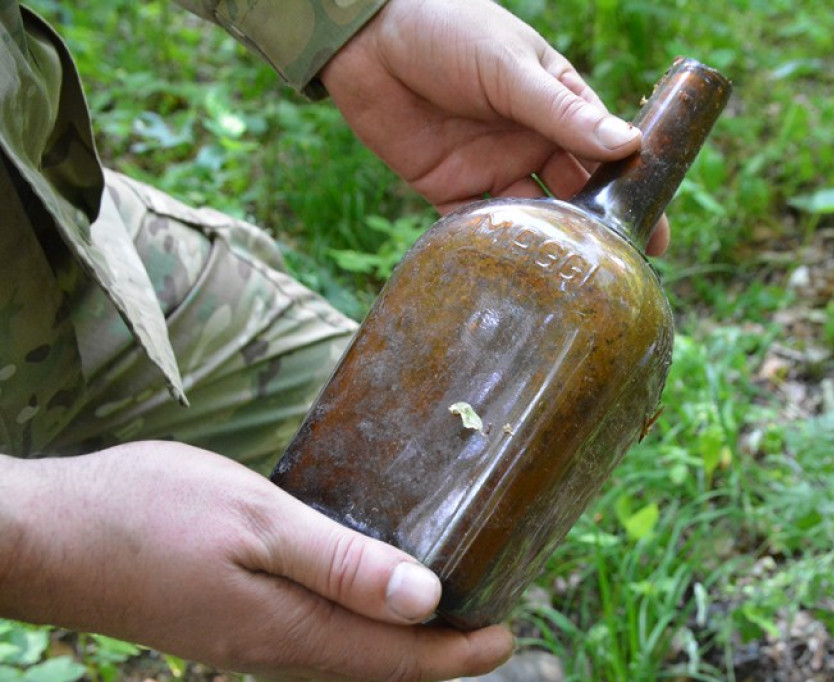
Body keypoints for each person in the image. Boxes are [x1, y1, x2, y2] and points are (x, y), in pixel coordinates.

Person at [0, 0, 669, 679]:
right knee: (342, 571)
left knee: (393, 473)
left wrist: (359, 20)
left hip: (57, 231)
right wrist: (53, 545)